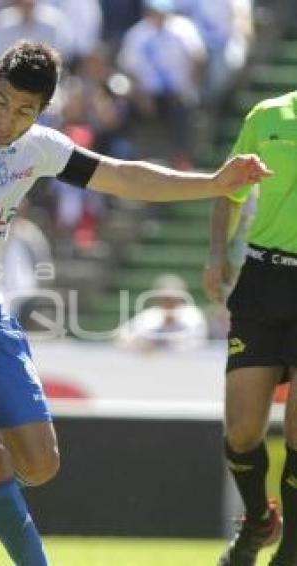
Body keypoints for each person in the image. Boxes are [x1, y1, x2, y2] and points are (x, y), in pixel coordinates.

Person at [0, 41, 271, 566]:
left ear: (42, 110)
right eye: (2, 102)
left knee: (39, 463)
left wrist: (212, 183)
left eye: (25, 111)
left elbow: (123, 175)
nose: (8, 119)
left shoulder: (38, 148)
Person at [203, 91, 297, 566]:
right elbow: (231, 188)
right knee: (241, 431)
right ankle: (260, 520)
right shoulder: (268, 114)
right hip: (263, 281)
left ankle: (293, 548)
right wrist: (217, 253)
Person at [114, 273, 208, 352]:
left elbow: (196, 344)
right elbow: (122, 337)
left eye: (172, 298)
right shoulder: (149, 315)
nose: (168, 301)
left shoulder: (193, 315)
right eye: (164, 298)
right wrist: (140, 344)